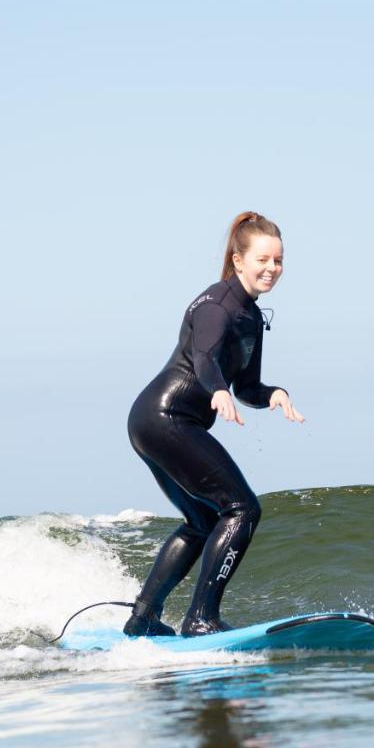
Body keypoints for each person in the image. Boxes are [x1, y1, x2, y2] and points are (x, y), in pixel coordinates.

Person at [124, 212, 305, 638]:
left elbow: (248, 386)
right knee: (243, 509)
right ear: (238, 259)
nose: (271, 269)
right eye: (263, 259)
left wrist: (272, 394)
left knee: (203, 522)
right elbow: (204, 358)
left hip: (154, 421)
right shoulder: (216, 305)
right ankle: (200, 617)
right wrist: (215, 389)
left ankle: (143, 617)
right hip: (167, 417)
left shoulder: (252, 317)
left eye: (278, 261)